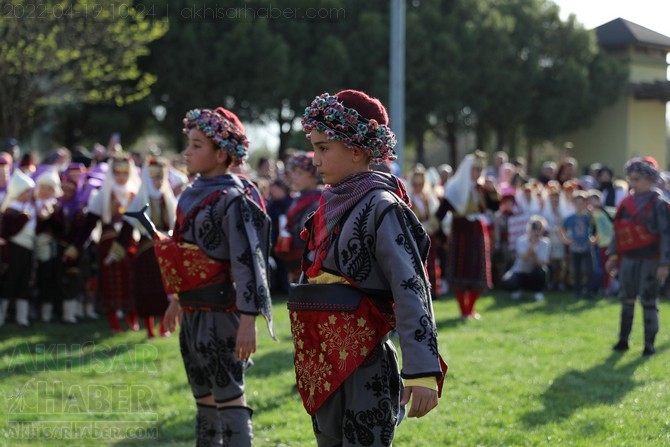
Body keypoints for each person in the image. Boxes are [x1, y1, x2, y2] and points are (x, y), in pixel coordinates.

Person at [293, 90, 446, 446]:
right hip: (324, 361)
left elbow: (411, 287)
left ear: (357, 150)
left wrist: (422, 370)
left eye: (323, 148)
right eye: (313, 148)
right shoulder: (326, 206)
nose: (314, 159)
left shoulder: (382, 207)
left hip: (367, 361)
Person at [159, 107, 275, 446]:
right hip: (192, 314)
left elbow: (247, 262)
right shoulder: (188, 193)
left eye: (197, 145)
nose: (187, 152)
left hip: (222, 316)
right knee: (203, 401)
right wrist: (176, 300)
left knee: (229, 397)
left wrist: (248, 319)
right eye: (189, 144)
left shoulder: (234, 197)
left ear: (222, 153)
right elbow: (183, 255)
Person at [606, 158, 670, 356]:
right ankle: (623, 340)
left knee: (649, 301)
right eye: (630, 179)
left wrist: (665, 263)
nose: (633, 183)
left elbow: (666, 234)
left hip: (651, 258)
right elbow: (618, 231)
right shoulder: (626, 203)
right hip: (629, 258)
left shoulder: (658, 203)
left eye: (637, 179)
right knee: (627, 298)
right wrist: (613, 255)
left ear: (649, 179)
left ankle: (649, 345)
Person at [437, 150, 501, 319]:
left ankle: (471, 309)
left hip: (478, 233)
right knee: (461, 270)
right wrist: (440, 236)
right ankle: (463, 310)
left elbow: (494, 207)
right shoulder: (455, 188)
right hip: (461, 232)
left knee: (478, 272)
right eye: (475, 169)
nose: (478, 173)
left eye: (480, 169)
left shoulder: (482, 189)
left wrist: (493, 191)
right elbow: (441, 212)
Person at [120, 156, 176, 339]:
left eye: (160, 178)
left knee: (164, 289)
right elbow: (128, 227)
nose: (158, 182)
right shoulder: (140, 199)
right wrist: (118, 251)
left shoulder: (168, 200)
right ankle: (150, 329)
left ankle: (163, 327)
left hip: (166, 249)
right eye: (154, 178)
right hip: (147, 251)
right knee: (147, 289)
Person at [275, 151, 322, 283]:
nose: (294, 177)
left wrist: (290, 235)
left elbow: (307, 233)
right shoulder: (299, 198)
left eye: (300, 173)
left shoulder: (318, 200)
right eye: (293, 173)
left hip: (308, 260)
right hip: (294, 261)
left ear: (315, 175)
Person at [0, 169, 36, 327]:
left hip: (28, 249)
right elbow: (9, 231)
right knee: (9, 282)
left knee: (24, 281)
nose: (29, 195)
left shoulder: (30, 209)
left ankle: (22, 317)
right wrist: (23, 218)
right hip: (13, 249)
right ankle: (1, 315)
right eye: (26, 191)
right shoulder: (9, 210)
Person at [501, 215, 550, 301]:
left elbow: (540, 263)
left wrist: (534, 253)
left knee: (542, 271)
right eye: (534, 227)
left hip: (533, 272)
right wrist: (531, 246)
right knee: (507, 282)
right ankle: (517, 289)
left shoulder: (545, 243)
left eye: (539, 228)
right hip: (520, 271)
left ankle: (537, 292)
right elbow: (524, 258)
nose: (536, 231)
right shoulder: (521, 241)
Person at [559, 190, 595, 298]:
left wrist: (594, 238)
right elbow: (561, 229)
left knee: (589, 270)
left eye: (581, 202)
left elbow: (597, 227)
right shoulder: (570, 218)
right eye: (577, 202)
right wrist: (566, 240)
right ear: (573, 203)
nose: (579, 205)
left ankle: (589, 291)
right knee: (577, 270)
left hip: (587, 246)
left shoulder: (588, 217)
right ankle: (578, 291)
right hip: (575, 248)